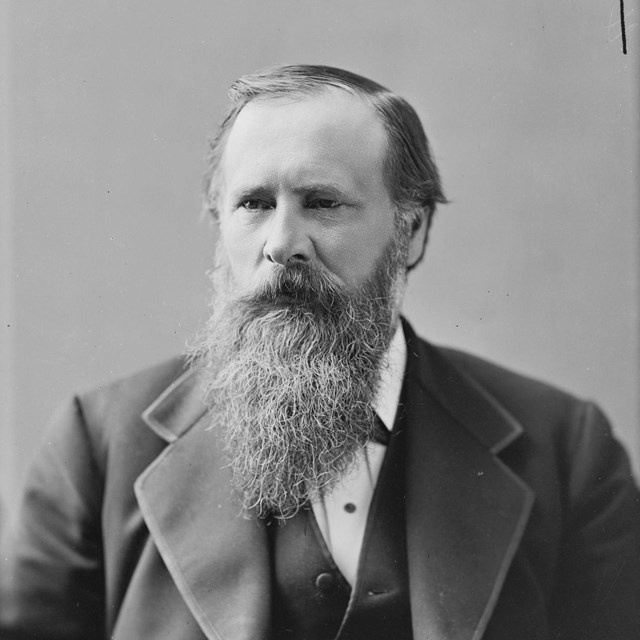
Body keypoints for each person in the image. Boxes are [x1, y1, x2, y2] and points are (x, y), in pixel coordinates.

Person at [1, 64, 638, 640]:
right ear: (219, 222)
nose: (283, 243)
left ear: (409, 232)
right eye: (254, 204)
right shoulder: (100, 446)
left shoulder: (566, 452)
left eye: (323, 203)